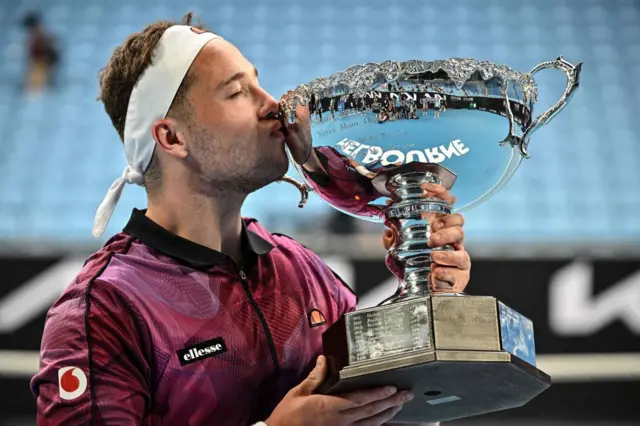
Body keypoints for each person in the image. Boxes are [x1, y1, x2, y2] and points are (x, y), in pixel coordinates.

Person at [30, 13, 471, 426]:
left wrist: (428, 305)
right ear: (171, 136)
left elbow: (389, 412)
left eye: (258, 83)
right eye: (237, 91)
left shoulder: (304, 272)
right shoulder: (105, 309)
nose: (273, 104)